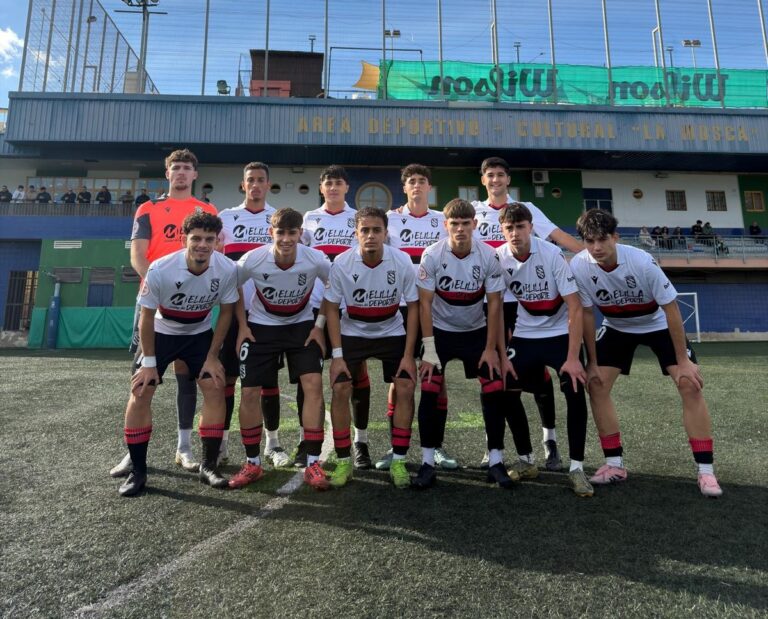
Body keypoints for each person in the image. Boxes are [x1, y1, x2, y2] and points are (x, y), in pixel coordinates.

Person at [571, 208, 722, 498]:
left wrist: (682, 361)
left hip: (657, 323)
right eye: (589, 241)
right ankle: (614, 464)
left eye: (602, 239)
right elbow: (588, 315)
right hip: (617, 326)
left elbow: (671, 308)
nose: (596, 247)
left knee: (689, 384)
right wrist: (591, 362)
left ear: (615, 237)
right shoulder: (579, 265)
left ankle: (706, 472)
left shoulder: (640, 261)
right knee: (596, 384)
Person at [110, 148, 218, 479]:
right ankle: (133, 454)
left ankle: (184, 448)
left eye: (187, 167)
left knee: (190, 376)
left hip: (194, 307)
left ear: (195, 174)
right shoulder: (149, 208)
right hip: (154, 305)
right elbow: (138, 256)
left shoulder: (207, 210)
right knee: (143, 378)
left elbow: (215, 255)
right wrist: (163, 291)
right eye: (176, 168)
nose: (182, 172)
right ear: (167, 173)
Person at [472, 156, 583, 471]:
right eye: (489, 175)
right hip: (493, 300)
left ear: (508, 179)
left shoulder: (527, 210)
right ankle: (494, 446)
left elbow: (558, 237)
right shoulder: (475, 212)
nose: (495, 180)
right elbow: (448, 227)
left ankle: (550, 440)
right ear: (483, 181)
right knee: (495, 376)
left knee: (539, 376)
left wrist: (592, 257)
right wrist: (399, 213)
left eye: (500, 175)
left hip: (525, 301)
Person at [118, 211, 239, 496]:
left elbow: (226, 313)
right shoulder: (161, 268)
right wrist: (148, 363)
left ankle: (209, 466)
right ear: (184, 239)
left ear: (218, 241)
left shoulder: (227, 269)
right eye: (196, 238)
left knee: (214, 385)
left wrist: (212, 356)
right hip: (162, 332)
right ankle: (138, 471)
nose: (202, 245)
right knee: (141, 389)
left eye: (209, 239)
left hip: (198, 333)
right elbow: (146, 317)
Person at [415, 198, 513, 490]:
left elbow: (495, 306)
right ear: (445, 226)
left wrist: (490, 349)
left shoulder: (489, 256)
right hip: (441, 333)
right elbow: (424, 305)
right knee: (430, 388)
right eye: (454, 224)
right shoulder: (432, 254)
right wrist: (429, 349)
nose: (460, 229)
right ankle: (427, 462)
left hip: (476, 332)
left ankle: (495, 461)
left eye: (465, 223)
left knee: (495, 386)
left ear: (474, 225)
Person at [495, 203, 592, 497]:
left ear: (531, 228)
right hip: (525, 334)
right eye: (509, 228)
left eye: (520, 227)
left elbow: (575, 305)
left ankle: (576, 468)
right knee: (505, 387)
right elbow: (496, 308)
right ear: (502, 230)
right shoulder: (498, 257)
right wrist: (502, 354)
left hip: (561, 333)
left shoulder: (551, 255)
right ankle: (526, 460)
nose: (515, 233)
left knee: (574, 389)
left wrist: (574, 358)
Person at [232, 208, 332, 490]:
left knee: (313, 384)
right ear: (270, 233)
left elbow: (333, 284)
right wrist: (242, 325)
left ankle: (313, 462)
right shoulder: (253, 258)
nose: (286, 239)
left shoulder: (314, 258)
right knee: (249, 390)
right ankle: (253, 463)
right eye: (281, 232)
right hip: (261, 327)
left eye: (292, 233)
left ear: (301, 234)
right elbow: (232, 286)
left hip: (301, 326)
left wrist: (319, 325)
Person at [324, 206, 419, 489]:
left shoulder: (401, 261)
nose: (371, 235)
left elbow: (413, 307)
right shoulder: (342, 263)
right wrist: (337, 356)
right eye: (364, 230)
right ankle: (344, 462)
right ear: (356, 234)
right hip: (353, 331)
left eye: (376, 230)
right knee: (340, 386)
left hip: (391, 330)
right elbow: (330, 309)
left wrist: (408, 355)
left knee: (405, 386)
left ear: (386, 233)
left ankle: (399, 460)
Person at [375, 163, 446, 472]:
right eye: (411, 181)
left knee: (435, 378)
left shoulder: (443, 220)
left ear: (430, 187)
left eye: (422, 181)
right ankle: (396, 446)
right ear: (403, 188)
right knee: (399, 378)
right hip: (400, 308)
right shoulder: (389, 220)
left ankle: (437, 447)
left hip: (436, 307)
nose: (417, 185)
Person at [301, 165, 372, 470]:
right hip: (314, 307)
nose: (333, 187)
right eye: (328, 183)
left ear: (346, 187)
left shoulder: (358, 219)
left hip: (350, 307)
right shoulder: (308, 219)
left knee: (355, 377)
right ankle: (307, 442)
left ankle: (361, 441)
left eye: (338, 183)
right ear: (321, 188)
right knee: (309, 377)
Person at [217, 162, 286, 468]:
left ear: (268, 184)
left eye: (261, 180)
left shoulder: (279, 220)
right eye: (250, 180)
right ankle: (221, 443)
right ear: (243, 185)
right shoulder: (226, 218)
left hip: (266, 316)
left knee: (268, 381)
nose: (255, 185)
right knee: (228, 378)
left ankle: (273, 444)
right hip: (233, 312)